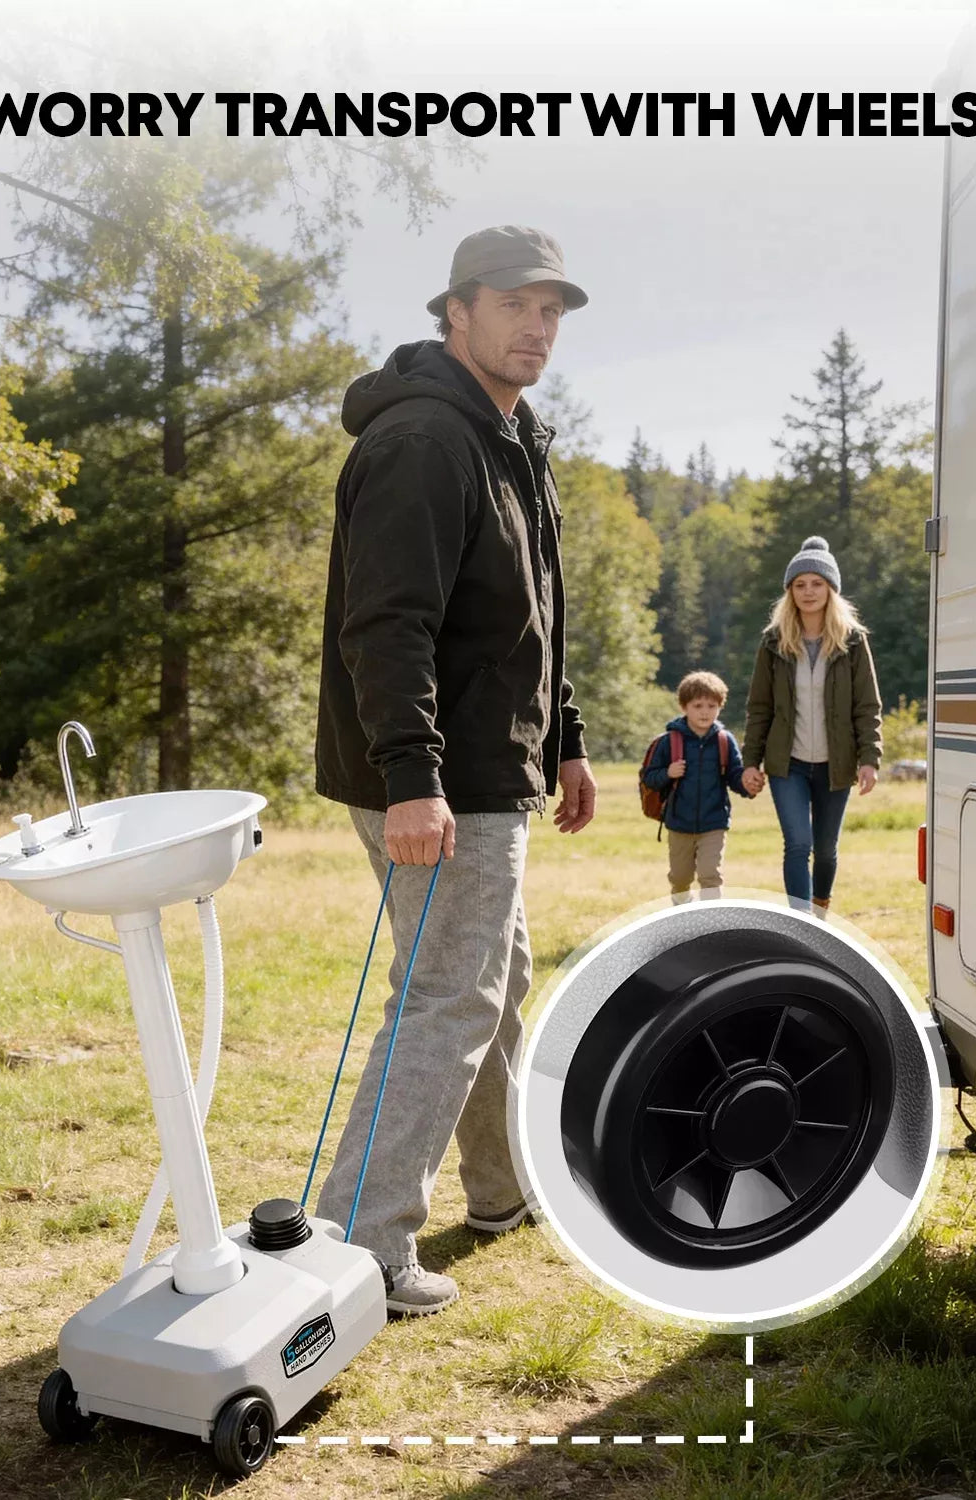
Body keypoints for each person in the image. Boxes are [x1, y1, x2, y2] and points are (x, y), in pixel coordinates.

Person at [313, 225, 597, 1316]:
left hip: (493, 762)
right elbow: (387, 628)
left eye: (553, 308)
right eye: (516, 303)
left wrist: (564, 736)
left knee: (492, 977)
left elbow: (534, 616)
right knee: (450, 993)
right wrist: (413, 778)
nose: (538, 325)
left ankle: (504, 1186)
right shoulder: (427, 441)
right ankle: (361, 1242)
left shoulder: (511, 437)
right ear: (456, 311)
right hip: (439, 777)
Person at [741, 536, 882, 915]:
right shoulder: (774, 643)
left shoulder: (853, 642)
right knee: (798, 844)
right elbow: (759, 707)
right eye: (800, 584)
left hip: (836, 764)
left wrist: (870, 758)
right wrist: (749, 762)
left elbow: (867, 707)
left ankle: (820, 910)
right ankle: (801, 924)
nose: (808, 592)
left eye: (817, 583)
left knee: (825, 850)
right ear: (790, 592)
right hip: (788, 764)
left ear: (831, 589)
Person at [642, 670, 753, 902]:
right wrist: (668, 773)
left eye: (712, 706)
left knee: (710, 875)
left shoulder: (724, 740)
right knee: (680, 878)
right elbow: (649, 778)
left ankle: (709, 927)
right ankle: (683, 921)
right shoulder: (669, 741)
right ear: (684, 707)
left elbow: (734, 776)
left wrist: (747, 784)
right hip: (678, 823)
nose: (705, 712)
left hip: (714, 822)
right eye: (698, 705)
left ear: (720, 707)